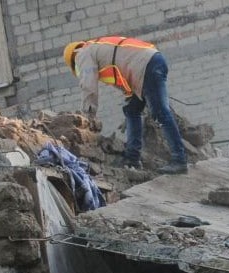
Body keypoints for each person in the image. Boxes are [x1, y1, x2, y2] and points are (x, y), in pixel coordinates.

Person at [63, 36, 189, 174]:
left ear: (73, 59)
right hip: (148, 65)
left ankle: (179, 160)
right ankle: (132, 159)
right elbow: (122, 76)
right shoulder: (99, 50)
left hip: (146, 66)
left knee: (161, 113)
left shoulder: (82, 53)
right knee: (132, 110)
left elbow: (88, 86)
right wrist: (130, 98)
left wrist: (88, 115)